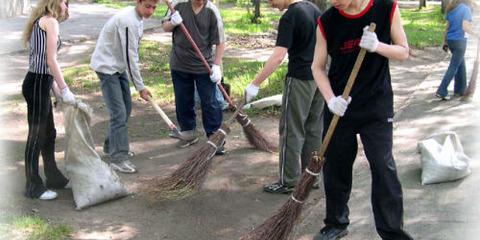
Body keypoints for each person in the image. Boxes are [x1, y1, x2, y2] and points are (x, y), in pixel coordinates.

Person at [311, 0, 413, 239]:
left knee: (382, 165)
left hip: (375, 105)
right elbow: (317, 67)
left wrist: (378, 46)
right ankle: (336, 223)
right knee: (336, 166)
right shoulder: (327, 21)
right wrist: (330, 100)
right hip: (340, 107)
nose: (332, 2)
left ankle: (392, 231)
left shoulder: (386, 7)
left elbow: (403, 51)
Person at [244, 0, 324, 194]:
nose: (270, 4)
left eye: (271, 0)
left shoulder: (290, 16)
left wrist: (255, 83)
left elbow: (278, 56)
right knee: (314, 129)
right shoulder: (314, 9)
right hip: (320, 78)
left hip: (300, 80)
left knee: (291, 130)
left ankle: (288, 181)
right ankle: (311, 178)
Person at [90, 0, 157, 173]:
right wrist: (140, 87)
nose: (150, 11)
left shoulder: (137, 17)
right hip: (107, 67)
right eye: (148, 6)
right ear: (139, 2)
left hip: (118, 67)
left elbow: (129, 55)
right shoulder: (128, 21)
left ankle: (111, 145)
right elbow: (131, 57)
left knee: (125, 108)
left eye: (154, 7)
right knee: (118, 113)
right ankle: (118, 158)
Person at [21, 0, 74, 200]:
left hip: (40, 82)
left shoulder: (41, 21)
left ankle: (53, 177)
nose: (67, 7)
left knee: (49, 133)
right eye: (65, 2)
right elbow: (51, 60)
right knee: (36, 135)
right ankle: (33, 186)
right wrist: (64, 88)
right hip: (36, 84)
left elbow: (44, 63)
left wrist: (56, 91)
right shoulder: (50, 22)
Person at [162, 0, 226, 154]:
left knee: (210, 101)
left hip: (203, 66)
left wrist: (216, 66)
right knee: (183, 99)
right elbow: (165, 27)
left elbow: (221, 42)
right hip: (180, 63)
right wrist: (173, 22)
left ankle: (214, 136)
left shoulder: (212, 11)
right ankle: (189, 132)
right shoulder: (178, 4)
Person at [436, 0, 477, 100]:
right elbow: (465, 27)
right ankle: (442, 90)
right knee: (454, 66)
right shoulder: (465, 9)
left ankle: (460, 90)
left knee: (460, 64)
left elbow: (447, 28)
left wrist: (445, 42)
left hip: (451, 41)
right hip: (460, 41)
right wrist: (476, 35)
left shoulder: (451, 9)